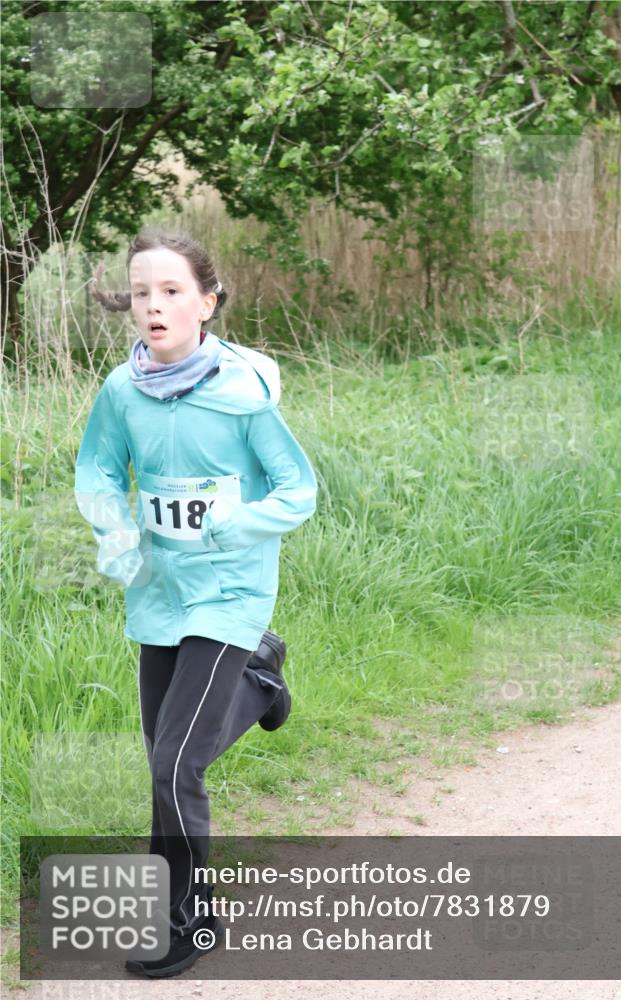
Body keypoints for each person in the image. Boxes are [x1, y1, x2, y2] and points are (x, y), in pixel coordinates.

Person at [74, 226, 318, 978]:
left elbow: (298, 491)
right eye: (142, 291)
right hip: (160, 593)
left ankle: (186, 922)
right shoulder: (121, 391)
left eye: (172, 291)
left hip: (231, 591)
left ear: (206, 303)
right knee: (166, 759)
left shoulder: (242, 397)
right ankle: (262, 677)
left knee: (172, 767)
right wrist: (114, 529)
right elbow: (97, 471)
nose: (154, 304)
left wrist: (234, 521)